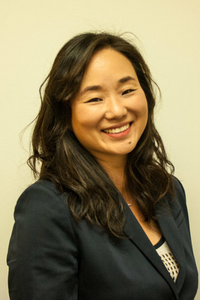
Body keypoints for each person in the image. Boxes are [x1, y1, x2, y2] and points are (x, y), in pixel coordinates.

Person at [7, 32, 198, 300]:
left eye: (127, 90)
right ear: (66, 113)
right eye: (95, 98)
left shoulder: (167, 190)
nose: (118, 110)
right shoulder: (47, 207)